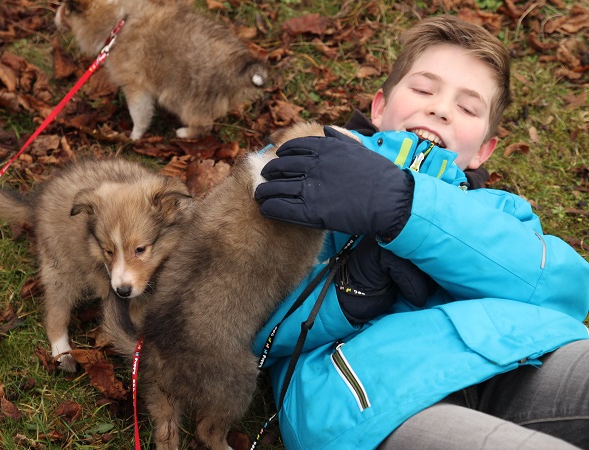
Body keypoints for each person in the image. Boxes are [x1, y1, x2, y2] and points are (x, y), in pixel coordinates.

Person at [252, 14, 589, 450]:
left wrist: (407, 210)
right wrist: (348, 293)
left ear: (483, 149)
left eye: (468, 108)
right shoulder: (308, 168)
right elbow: (228, 318)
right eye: (423, 89)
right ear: (379, 108)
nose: (441, 108)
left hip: (519, 361)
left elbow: (564, 291)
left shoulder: (499, 210)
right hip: (372, 397)